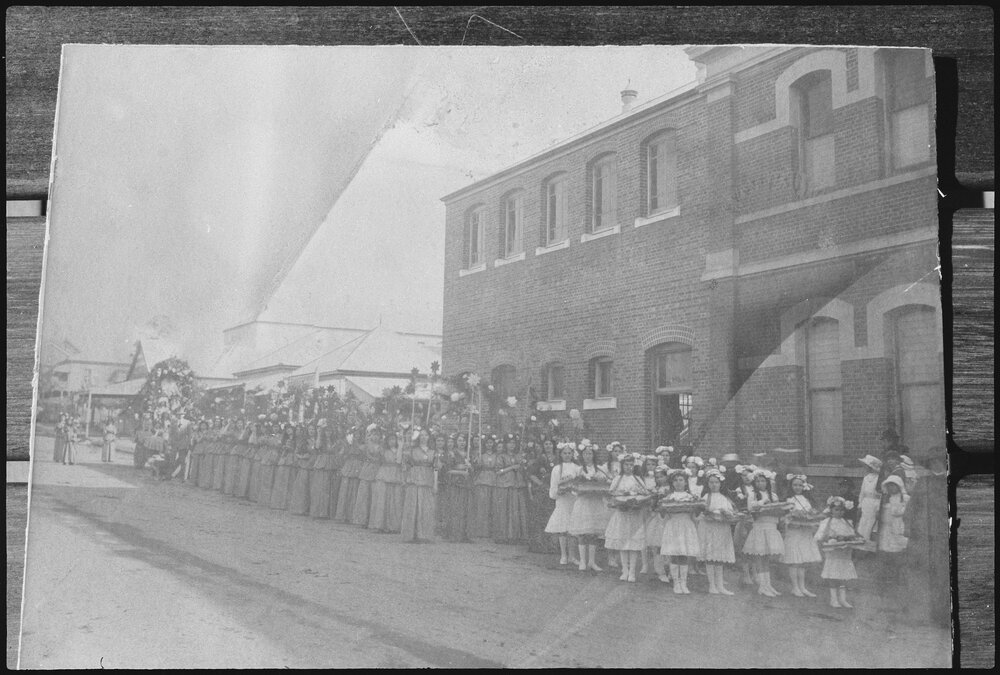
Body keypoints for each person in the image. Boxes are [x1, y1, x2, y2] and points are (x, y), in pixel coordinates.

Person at [902, 452, 949, 627]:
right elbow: (912, 506)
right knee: (921, 573)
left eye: (938, 461)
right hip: (922, 533)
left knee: (942, 575)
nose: (936, 464)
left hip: (942, 536)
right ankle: (921, 614)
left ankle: (942, 615)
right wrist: (908, 526)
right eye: (932, 462)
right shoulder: (923, 482)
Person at [603, 453, 650, 582]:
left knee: (633, 543)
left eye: (631, 465)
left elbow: (645, 494)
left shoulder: (638, 479)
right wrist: (620, 500)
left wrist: (637, 501)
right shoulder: (617, 479)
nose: (629, 467)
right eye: (626, 465)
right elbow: (611, 494)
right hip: (622, 514)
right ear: (622, 465)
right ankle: (624, 570)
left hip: (634, 514)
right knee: (623, 542)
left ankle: (632, 572)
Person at [567, 442, 613, 572]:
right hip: (583, 503)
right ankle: (582, 561)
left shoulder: (599, 469)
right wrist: (580, 489)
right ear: (582, 455)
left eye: (590, 453)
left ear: (594, 455)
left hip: (595, 503)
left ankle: (591, 561)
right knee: (582, 532)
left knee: (593, 533)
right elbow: (573, 487)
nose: (588, 456)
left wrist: (599, 483)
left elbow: (607, 482)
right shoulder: (578, 469)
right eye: (586, 453)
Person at [743, 468, 786, 597]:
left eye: (763, 481)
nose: (760, 484)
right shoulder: (753, 495)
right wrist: (762, 502)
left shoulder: (774, 496)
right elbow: (751, 508)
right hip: (760, 528)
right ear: (754, 483)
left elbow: (778, 509)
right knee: (760, 558)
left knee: (767, 558)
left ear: (767, 482)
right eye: (758, 481)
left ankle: (768, 585)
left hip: (771, 527)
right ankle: (762, 586)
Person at [659, 468, 702, 594]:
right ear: (672, 483)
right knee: (674, 554)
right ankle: (676, 583)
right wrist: (661, 508)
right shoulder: (669, 497)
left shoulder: (691, 497)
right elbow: (663, 517)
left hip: (686, 525)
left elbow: (695, 517)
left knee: (683, 554)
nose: (678, 482)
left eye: (681, 480)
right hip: (673, 525)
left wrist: (698, 508)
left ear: (685, 482)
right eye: (676, 480)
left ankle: (684, 583)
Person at [697, 468, 737, 595]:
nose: (714, 485)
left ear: (721, 484)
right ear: (707, 484)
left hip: (721, 529)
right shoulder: (705, 497)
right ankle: (712, 585)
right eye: (711, 482)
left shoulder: (725, 498)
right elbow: (701, 513)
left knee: (719, 556)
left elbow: (732, 513)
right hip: (709, 528)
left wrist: (727, 514)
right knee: (710, 555)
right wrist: (710, 514)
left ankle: (720, 585)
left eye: (716, 482)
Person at [815, 496, 859, 608]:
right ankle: (834, 599)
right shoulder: (827, 522)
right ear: (831, 510)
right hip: (833, 552)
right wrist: (831, 537)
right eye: (836, 510)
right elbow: (820, 536)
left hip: (844, 553)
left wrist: (848, 538)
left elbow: (852, 535)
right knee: (833, 575)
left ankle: (843, 599)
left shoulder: (847, 522)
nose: (839, 512)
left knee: (843, 575)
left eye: (841, 510)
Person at [782, 474, 822, 597]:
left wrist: (811, 517)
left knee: (803, 560)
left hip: (805, 531)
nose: (797, 487)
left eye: (800, 485)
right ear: (791, 486)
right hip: (794, 531)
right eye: (795, 485)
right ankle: (795, 587)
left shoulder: (807, 499)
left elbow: (812, 513)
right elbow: (785, 516)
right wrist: (793, 520)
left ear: (804, 486)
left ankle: (803, 587)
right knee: (795, 560)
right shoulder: (789, 499)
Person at [545, 442, 581, 565]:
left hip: (573, 500)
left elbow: (579, 484)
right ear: (560, 454)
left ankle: (572, 555)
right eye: (564, 453)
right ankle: (564, 555)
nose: (567, 455)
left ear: (573, 454)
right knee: (562, 528)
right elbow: (553, 486)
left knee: (573, 529)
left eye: (569, 453)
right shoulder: (557, 469)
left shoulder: (577, 468)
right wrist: (559, 492)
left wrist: (574, 489)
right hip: (562, 501)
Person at [877, 474, 910, 607]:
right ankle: (886, 590)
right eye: (889, 486)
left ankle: (899, 588)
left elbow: (907, 513)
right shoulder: (885, 499)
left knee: (899, 557)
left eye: (894, 486)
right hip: (886, 531)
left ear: (899, 486)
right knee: (886, 558)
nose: (891, 488)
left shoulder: (906, 498)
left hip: (898, 529)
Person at [400, 429, 437, 542]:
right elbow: (405, 464)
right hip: (414, 478)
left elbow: (435, 469)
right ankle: (410, 534)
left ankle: (424, 534)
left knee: (425, 507)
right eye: (421, 435)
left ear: (429, 437)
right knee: (412, 506)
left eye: (426, 435)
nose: (423, 437)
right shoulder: (412, 450)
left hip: (427, 479)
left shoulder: (433, 452)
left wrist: (435, 484)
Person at [493, 435, 529, 544]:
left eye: (513, 443)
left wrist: (523, 464)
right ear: (505, 444)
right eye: (509, 443)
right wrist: (511, 468)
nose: (511, 445)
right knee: (505, 510)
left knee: (516, 510)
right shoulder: (501, 456)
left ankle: (515, 535)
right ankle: (503, 535)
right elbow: (498, 471)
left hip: (517, 485)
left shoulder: (518, 456)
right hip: (505, 485)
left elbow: (523, 470)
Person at [369, 431, 405, 533]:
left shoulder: (400, 450)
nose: (392, 442)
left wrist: (401, 446)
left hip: (396, 475)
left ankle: (393, 526)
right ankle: (380, 525)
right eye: (390, 439)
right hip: (384, 474)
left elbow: (398, 461)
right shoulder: (383, 450)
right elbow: (374, 454)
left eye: (394, 439)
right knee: (382, 500)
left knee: (395, 500)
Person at [525, 439, 557, 553]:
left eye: (550, 444)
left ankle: (552, 545)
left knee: (551, 517)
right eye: (546, 444)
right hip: (543, 492)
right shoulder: (541, 458)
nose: (548, 446)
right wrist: (541, 484)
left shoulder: (558, 458)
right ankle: (538, 544)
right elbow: (531, 474)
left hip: (554, 491)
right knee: (539, 516)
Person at [442, 434, 475, 542]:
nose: (462, 443)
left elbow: (474, 471)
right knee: (455, 509)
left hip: (466, 484)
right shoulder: (452, 454)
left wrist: (470, 467)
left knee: (465, 509)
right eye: (460, 440)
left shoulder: (469, 454)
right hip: (455, 484)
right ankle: (453, 534)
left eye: (464, 441)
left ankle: (465, 534)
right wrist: (460, 470)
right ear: (456, 442)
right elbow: (447, 470)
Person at [351, 425, 383, 526]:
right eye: (373, 434)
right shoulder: (366, 445)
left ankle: (372, 520)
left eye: (377, 435)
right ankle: (362, 519)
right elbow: (364, 454)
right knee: (364, 494)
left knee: (375, 494)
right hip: (367, 469)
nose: (375, 437)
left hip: (377, 470)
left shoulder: (382, 446)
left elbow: (382, 457)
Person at [646, 466, 672, 583]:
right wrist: (653, 501)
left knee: (670, 545)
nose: (660, 479)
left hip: (669, 519)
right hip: (658, 519)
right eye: (657, 477)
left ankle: (671, 570)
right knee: (658, 545)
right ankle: (660, 571)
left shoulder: (671, 489)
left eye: (662, 476)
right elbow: (652, 506)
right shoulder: (655, 490)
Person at [471, 436, 500, 539]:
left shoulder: (497, 456)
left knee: (493, 506)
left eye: (491, 443)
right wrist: (476, 461)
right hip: (482, 480)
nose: (489, 445)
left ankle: (493, 531)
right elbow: (476, 467)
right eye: (487, 443)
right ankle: (481, 531)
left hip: (494, 480)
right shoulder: (481, 455)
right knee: (483, 506)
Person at [333, 428, 364, 522]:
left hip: (358, 466)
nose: (356, 436)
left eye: (358, 434)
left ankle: (352, 515)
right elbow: (341, 455)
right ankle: (343, 514)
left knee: (355, 489)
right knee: (345, 489)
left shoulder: (362, 445)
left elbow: (363, 455)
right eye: (355, 434)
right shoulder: (347, 444)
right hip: (349, 465)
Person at [308, 420, 336, 519]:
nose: (328, 433)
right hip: (322, 462)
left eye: (330, 431)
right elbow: (317, 446)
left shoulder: (333, 441)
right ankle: (318, 511)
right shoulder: (321, 439)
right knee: (320, 487)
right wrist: (319, 433)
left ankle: (327, 512)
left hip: (331, 463)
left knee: (329, 488)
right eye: (326, 431)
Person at [287, 423, 316, 515]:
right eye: (310, 429)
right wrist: (303, 457)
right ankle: (300, 508)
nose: (311, 431)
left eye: (313, 429)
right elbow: (296, 453)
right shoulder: (304, 441)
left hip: (316, 465)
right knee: (303, 487)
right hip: (305, 465)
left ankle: (311, 509)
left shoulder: (318, 440)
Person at [856, 454, 883, 543]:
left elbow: (881, 494)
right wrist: (860, 505)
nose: (865, 468)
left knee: (871, 524)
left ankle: (868, 541)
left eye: (866, 466)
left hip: (875, 503)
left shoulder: (879, 479)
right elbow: (862, 493)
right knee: (863, 522)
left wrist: (879, 508)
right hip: (866, 503)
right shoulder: (866, 478)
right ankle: (861, 540)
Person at [269, 424, 296, 510]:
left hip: (292, 458)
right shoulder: (283, 439)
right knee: (281, 479)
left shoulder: (296, 438)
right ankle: (278, 503)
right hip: (284, 458)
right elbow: (279, 448)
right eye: (287, 429)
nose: (288, 430)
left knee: (291, 480)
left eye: (290, 429)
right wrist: (283, 448)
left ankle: (288, 504)